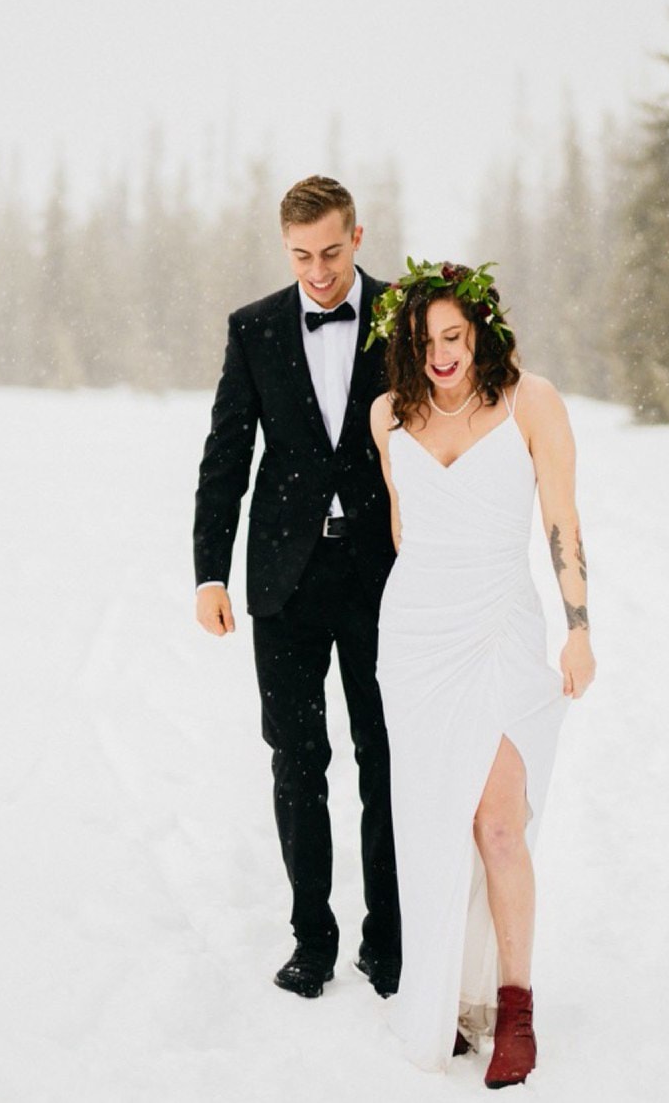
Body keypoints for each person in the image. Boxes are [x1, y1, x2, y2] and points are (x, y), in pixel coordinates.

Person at [366, 258, 595, 1088]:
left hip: (500, 628)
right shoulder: (390, 414)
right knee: (434, 827)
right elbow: (404, 530)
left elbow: (562, 518)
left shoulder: (533, 402)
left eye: (454, 337)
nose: (441, 356)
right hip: (419, 639)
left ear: (483, 331)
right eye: (426, 341)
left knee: (499, 822)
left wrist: (577, 629)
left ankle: (516, 1006)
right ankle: (447, 992)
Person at [192, 175, 402, 1000]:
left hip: (385, 577)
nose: (317, 271)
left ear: (358, 236)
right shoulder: (255, 330)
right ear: (287, 248)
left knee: (386, 759)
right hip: (285, 581)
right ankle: (312, 936)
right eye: (301, 255)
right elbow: (224, 460)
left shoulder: (404, 316)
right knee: (297, 760)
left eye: (331, 251)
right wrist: (209, 570)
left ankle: (386, 938)